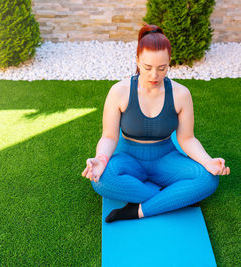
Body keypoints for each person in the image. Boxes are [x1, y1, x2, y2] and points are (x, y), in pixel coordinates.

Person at [81, 24, 230, 223]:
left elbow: (187, 138)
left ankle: (138, 211)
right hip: (128, 158)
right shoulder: (119, 91)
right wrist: (101, 160)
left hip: (165, 158)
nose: (154, 76)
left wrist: (207, 161)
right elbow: (109, 136)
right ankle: (175, 197)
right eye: (147, 67)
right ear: (137, 61)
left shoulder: (181, 94)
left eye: (162, 68)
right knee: (101, 180)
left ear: (169, 63)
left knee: (208, 179)